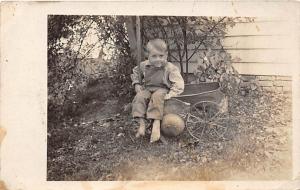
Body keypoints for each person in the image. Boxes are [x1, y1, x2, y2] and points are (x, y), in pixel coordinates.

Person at [131, 39, 184, 143]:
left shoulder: (169, 68)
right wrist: (136, 83)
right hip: (148, 89)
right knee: (139, 96)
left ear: (166, 55)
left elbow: (178, 83)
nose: (158, 59)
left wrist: (172, 94)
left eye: (161, 56)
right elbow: (136, 72)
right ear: (148, 56)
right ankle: (142, 124)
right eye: (154, 56)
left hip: (162, 89)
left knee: (157, 96)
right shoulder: (144, 65)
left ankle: (156, 123)